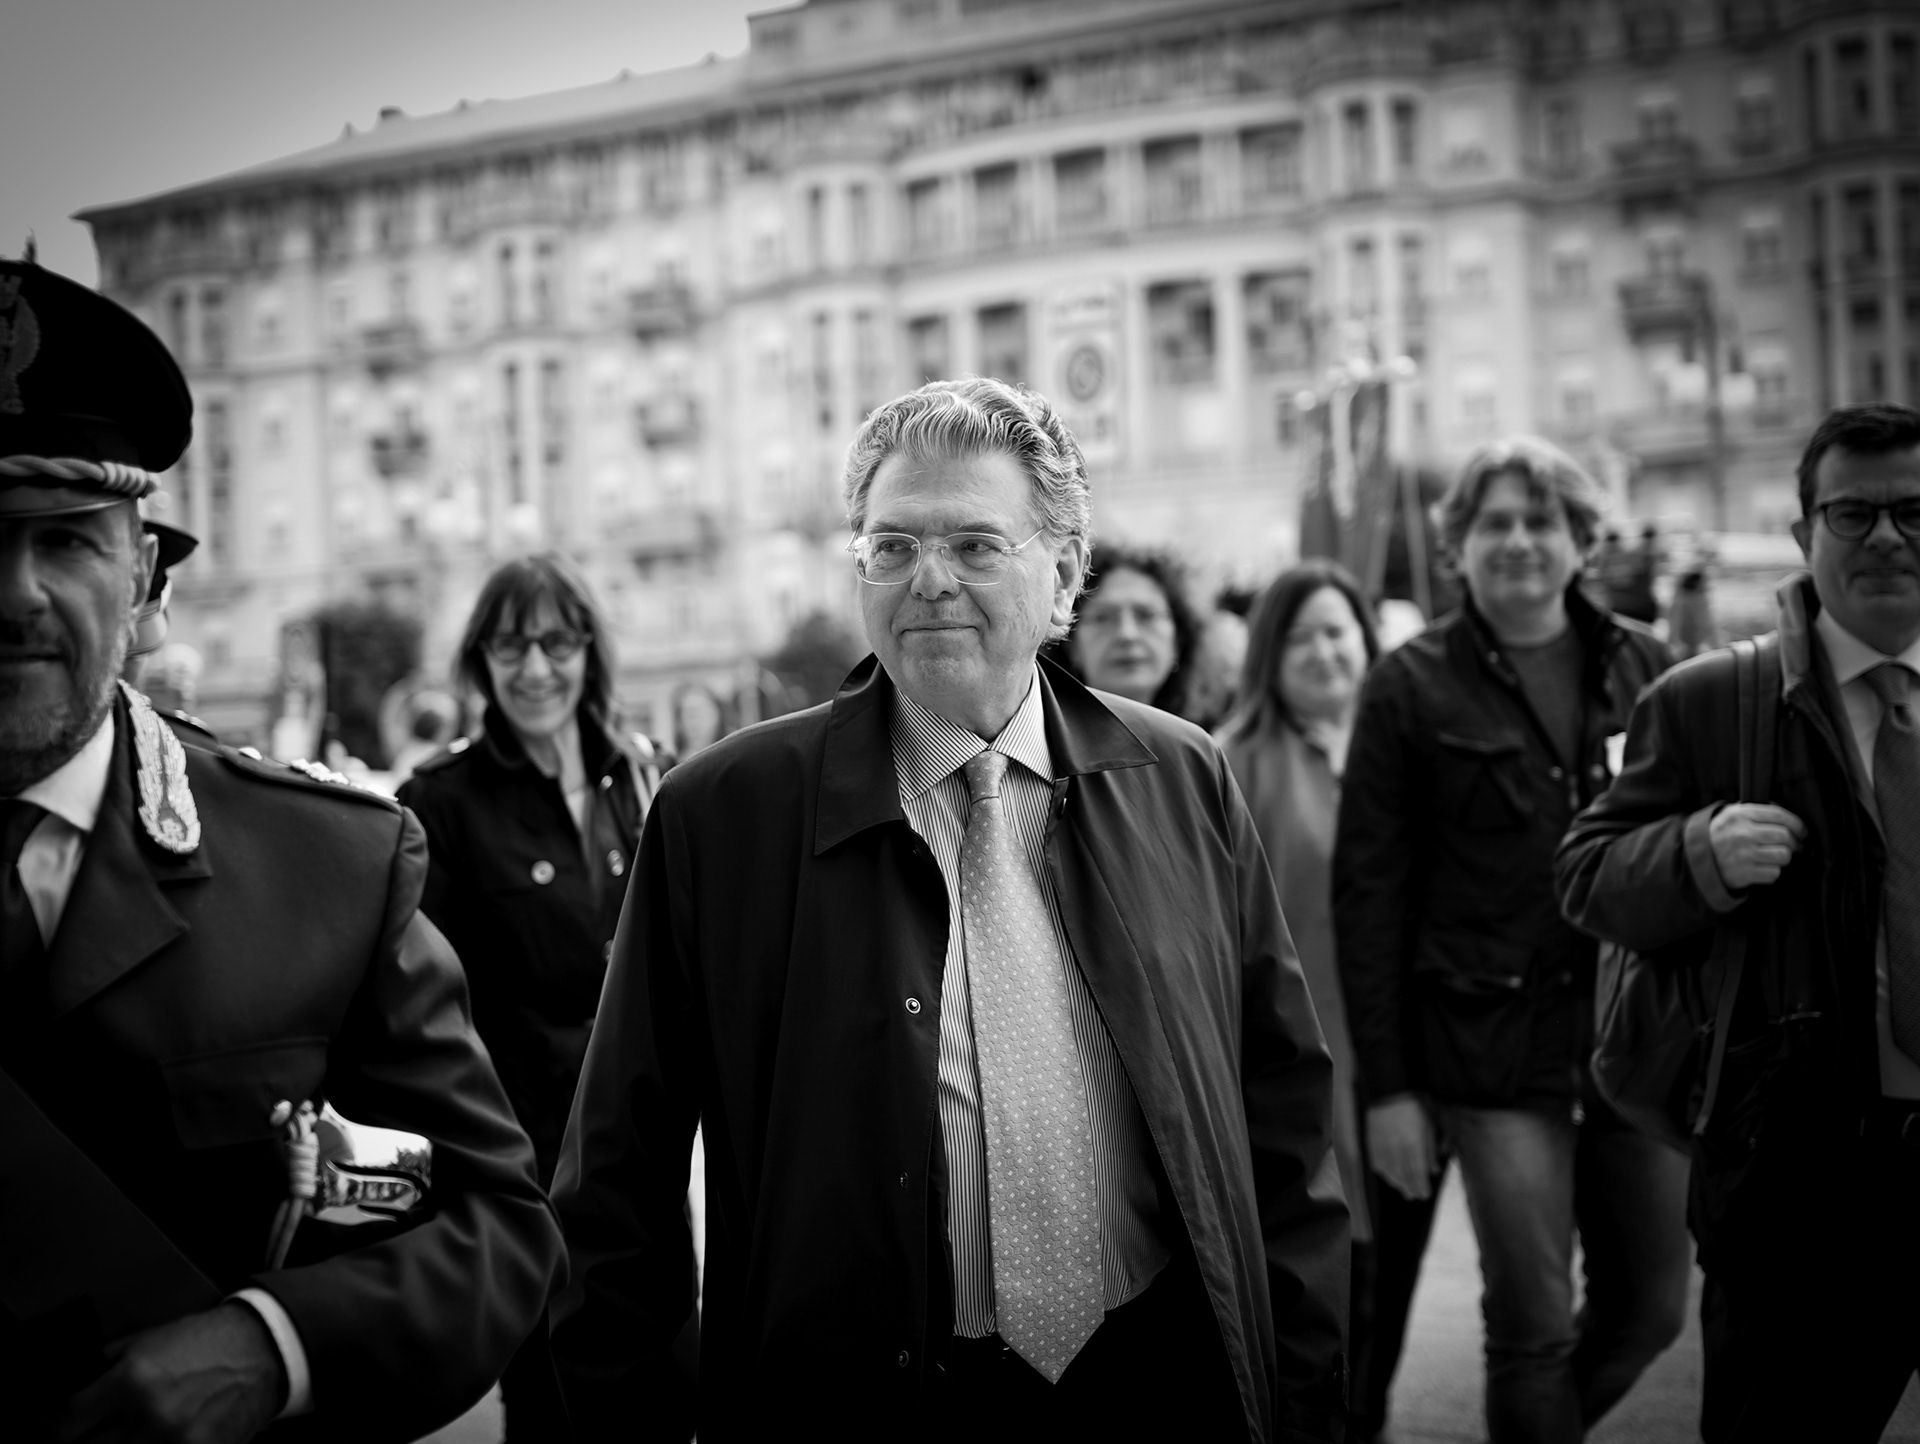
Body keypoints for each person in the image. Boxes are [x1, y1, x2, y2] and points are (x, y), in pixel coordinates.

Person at [549, 377, 1348, 1442]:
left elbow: (1283, 1114)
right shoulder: (723, 816)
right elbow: (619, 1176)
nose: (928, 580)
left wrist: (1299, 1397)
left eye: (974, 544)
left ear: (1064, 574)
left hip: (1161, 1379)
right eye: (892, 546)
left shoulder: (1180, 778)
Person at [0, 258, 563, 1439]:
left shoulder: (327, 865)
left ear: (142, 574)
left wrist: (274, 1346)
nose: (16, 594)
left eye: (67, 540)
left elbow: (498, 1227)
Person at [1556, 403, 1920, 1443]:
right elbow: (1586, 875)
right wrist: (1696, 855)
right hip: (1796, 1183)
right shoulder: (1713, 700)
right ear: (1805, 532)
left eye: (1913, 511)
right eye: (1852, 513)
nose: (1886, 537)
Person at [1335, 435, 1688, 1444]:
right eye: (1495, 522)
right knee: (1530, 1333)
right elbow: (1370, 898)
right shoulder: (1407, 684)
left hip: (1634, 1043)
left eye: (1542, 520)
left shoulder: (1652, 669)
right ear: (1458, 545)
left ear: (1582, 539)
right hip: (1491, 1056)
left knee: (1653, 1310)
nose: (1520, 540)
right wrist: (1390, 1091)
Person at [398, 553, 659, 1440]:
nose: (536, 668)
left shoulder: (645, 777)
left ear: (589, 650)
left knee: (663, 1390)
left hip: (643, 1159)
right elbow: (421, 1015)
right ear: (480, 660)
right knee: (553, 1408)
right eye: (511, 646)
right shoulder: (441, 800)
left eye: (556, 642)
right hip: (524, 1179)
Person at [1220, 560, 1430, 1441]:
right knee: (1334, 1311)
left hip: (1411, 1070)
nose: (1322, 652)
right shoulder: (1231, 762)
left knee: (1388, 1312)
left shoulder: (1408, 752)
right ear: (1267, 654)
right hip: (1301, 1081)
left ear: (1367, 642)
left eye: (1337, 631)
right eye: (1299, 636)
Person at [1058, 544, 1198, 714]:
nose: (1127, 634)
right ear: (1070, 643)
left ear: (1178, 639)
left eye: (1146, 615)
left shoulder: (1202, 730)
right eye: (1103, 618)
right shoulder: (1042, 729)